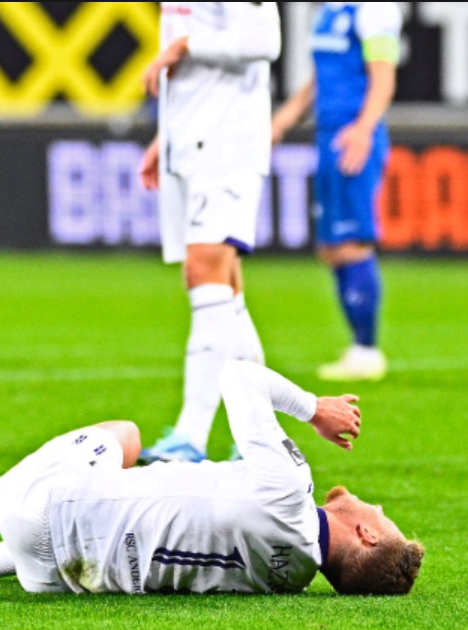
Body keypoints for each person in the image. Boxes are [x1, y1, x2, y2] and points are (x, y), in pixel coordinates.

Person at [0, 361, 425, 597]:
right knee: (113, 524)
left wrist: (314, 410)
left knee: (124, 436)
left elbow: (238, 375)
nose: (376, 505)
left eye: (383, 516)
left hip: (37, 512)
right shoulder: (289, 579)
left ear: (367, 534)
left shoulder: (291, 491)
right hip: (57, 575)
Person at [137, 2, 281, 464]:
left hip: (227, 145)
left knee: (205, 271)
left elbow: (265, 41)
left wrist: (186, 45)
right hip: (191, 140)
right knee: (223, 286)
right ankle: (259, 439)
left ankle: (190, 436)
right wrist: (168, 136)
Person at [272, 3, 401, 382]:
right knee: (330, 247)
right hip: (327, 133)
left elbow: (383, 77)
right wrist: (284, 119)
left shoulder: (374, 11)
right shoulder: (328, 11)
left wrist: (363, 129)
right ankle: (359, 346)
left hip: (351, 134)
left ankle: (367, 349)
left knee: (351, 242)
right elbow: (319, 78)